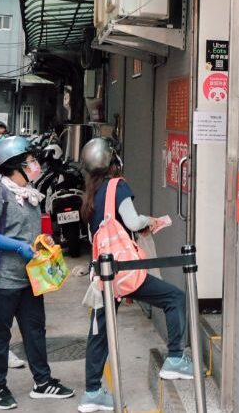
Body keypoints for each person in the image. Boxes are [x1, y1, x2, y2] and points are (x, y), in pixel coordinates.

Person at [78, 138, 192, 413]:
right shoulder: (118, 186)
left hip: (103, 274)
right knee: (174, 298)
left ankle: (92, 392)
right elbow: (131, 222)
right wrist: (149, 221)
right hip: (123, 271)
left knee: (100, 330)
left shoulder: (92, 194)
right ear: (113, 161)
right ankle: (175, 359)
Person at [0, 136, 75, 410]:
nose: (35, 165)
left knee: (35, 331)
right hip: (2, 281)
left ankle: (43, 382)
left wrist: (44, 241)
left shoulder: (29, 194)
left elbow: (29, 232)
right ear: (13, 166)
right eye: (30, 161)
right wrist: (19, 247)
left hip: (31, 279)